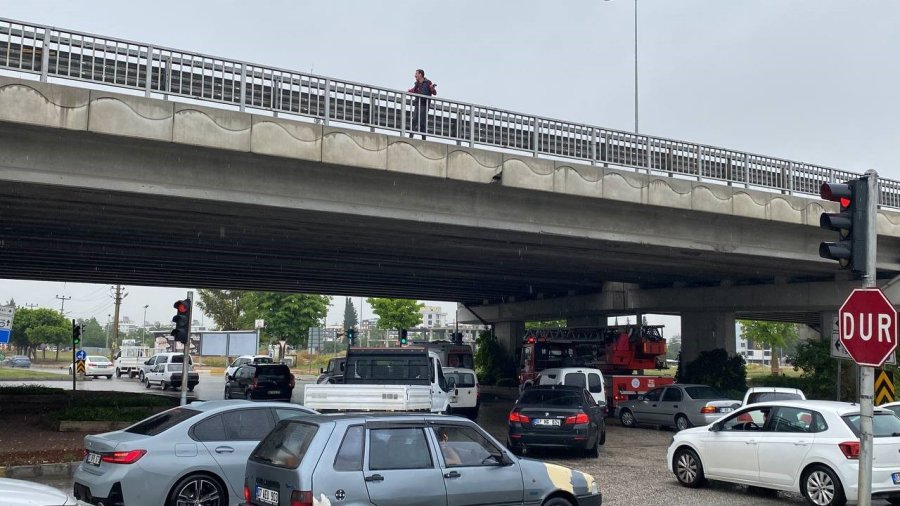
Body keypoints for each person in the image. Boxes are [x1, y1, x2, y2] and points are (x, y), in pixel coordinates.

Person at [408, 69, 436, 140]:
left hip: (424, 105)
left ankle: (423, 139)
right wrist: (408, 91)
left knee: (422, 122)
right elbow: (414, 90)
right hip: (417, 104)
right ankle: (410, 137)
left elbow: (434, 93)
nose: (415, 75)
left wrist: (432, 88)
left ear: (420, 74)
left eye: (416, 74)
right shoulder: (417, 83)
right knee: (414, 120)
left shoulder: (428, 82)